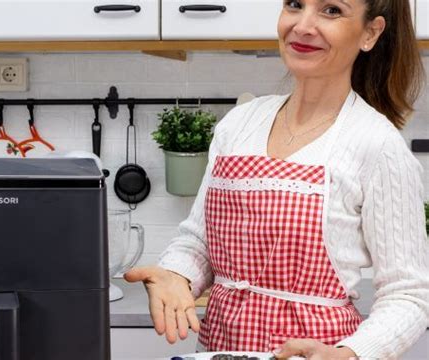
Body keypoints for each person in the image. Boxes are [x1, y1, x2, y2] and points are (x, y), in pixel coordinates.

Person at [125, 0, 429, 358]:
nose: (303, 25)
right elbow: (198, 242)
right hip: (218, 348)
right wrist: (177, 275)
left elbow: (409, 293)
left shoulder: (376, 145)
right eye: (295, 4)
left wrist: (350, 353)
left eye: (332, 10)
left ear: (370, 32)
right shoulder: (239, 124)